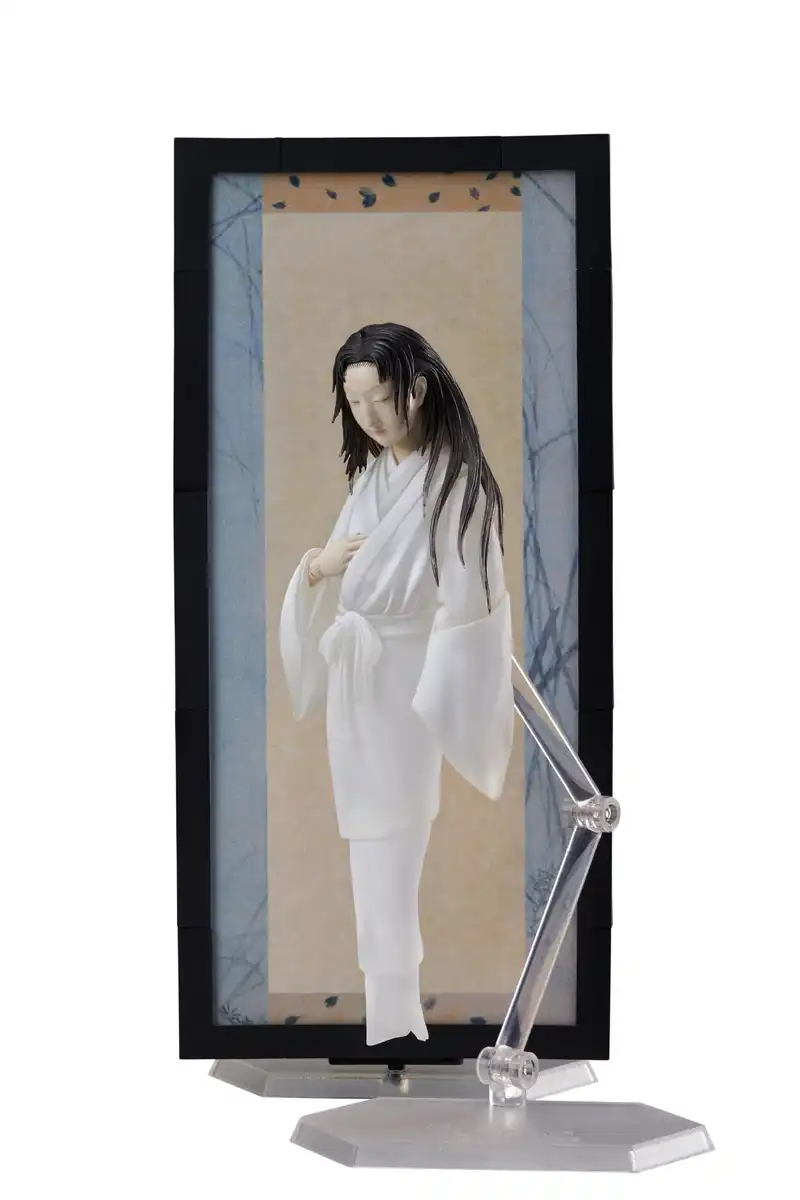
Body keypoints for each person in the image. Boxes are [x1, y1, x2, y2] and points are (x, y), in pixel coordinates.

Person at [279, 322, 514, 1044]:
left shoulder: (458, 485)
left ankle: (394, 1009)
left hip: (407, 686)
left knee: (394, 837)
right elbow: (333, 569)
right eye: (355, 403)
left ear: (417, 388)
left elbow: (471, 605)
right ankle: (390, 1014)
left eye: (380, 398)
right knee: (367, 842)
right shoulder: (371, 480)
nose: (370, 417)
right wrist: (315, 567)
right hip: (360, 682)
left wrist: (437, 690)